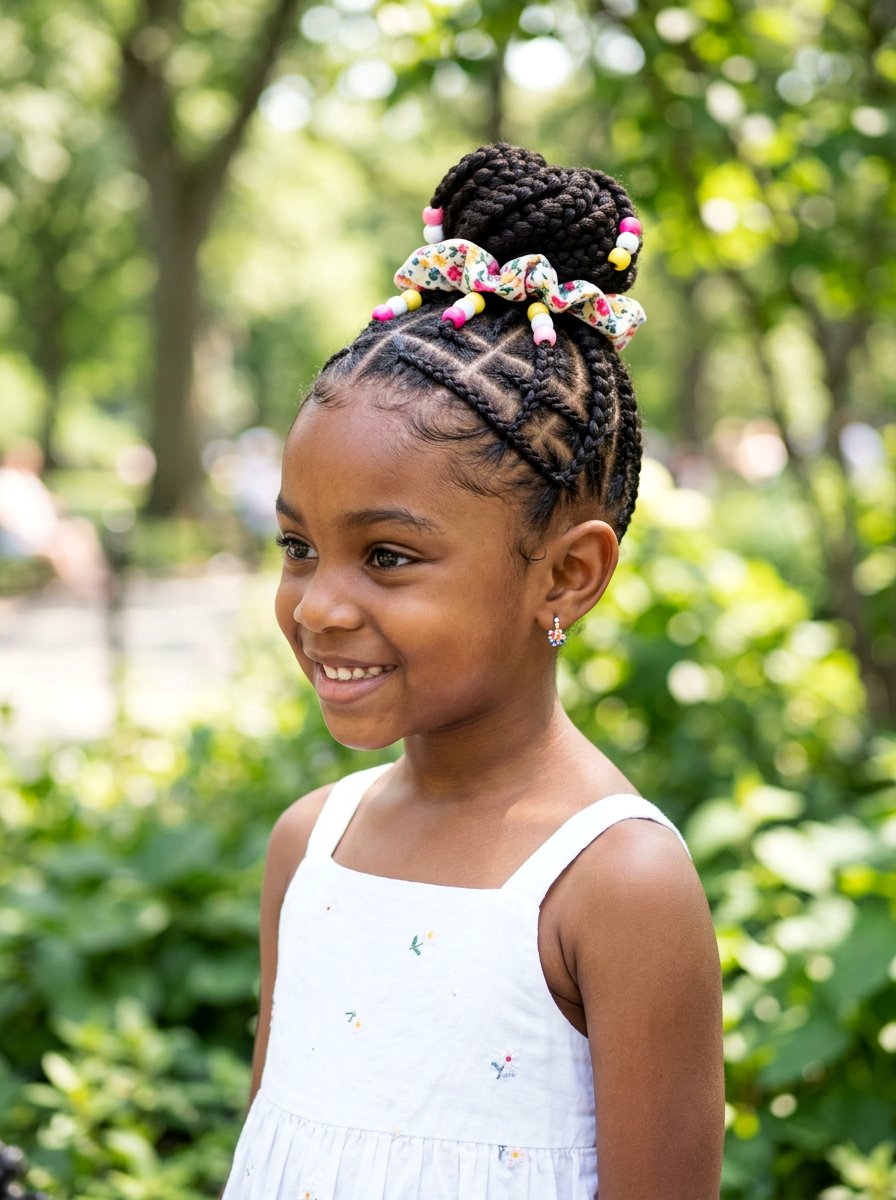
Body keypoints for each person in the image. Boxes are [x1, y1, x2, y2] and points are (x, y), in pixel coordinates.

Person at [223, 143, 724, 1200]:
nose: (317, 606)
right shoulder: (309, 845)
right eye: (298, 546)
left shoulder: (615, 884)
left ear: (567, 575)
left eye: (387, 557)